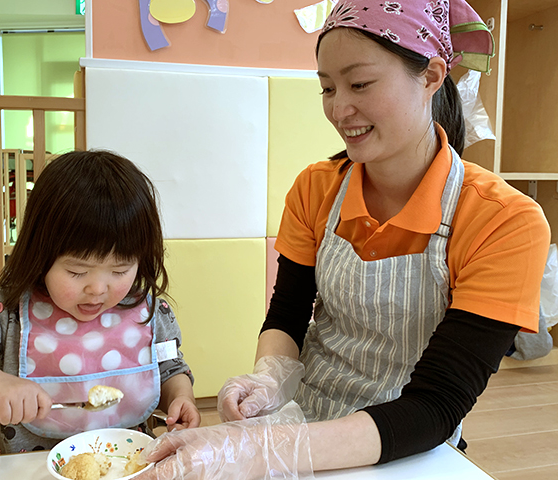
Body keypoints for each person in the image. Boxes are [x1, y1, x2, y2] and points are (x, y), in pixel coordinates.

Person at [134, 1, 551, 478]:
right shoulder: (316, 188)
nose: (338, 108)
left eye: (359, 84)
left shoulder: (503, 220)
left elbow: (436, 405)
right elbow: (287, 314)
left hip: (408, 442)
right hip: (302, 417)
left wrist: (265, 452)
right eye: (327, 87)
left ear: (432, 76)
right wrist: (271, 378)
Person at [0, 150, 201, 455]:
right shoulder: (5, 311)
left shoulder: (149, 311)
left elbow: (168, 367)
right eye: (76, 271)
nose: (97, 288)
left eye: (120, 270)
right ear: (41, 254)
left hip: (127, 467)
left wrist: (179, 398)